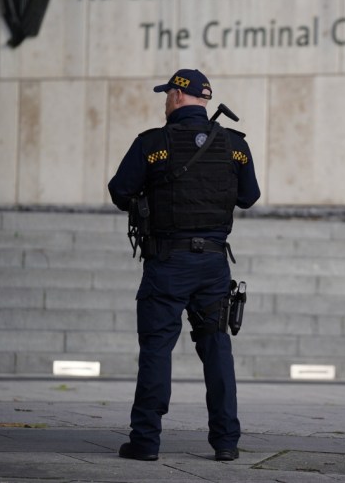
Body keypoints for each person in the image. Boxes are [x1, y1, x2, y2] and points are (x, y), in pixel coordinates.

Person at [107, 68, 260, 462]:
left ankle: (145, 441)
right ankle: (226, 441)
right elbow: (248, 196)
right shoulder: (235, 145)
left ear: (177, 95)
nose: (164, 100)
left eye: (167, 94)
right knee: (217, 347)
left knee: (157, 348)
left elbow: (119, 191)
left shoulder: (152, 143)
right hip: (212, 263)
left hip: (167, 261)